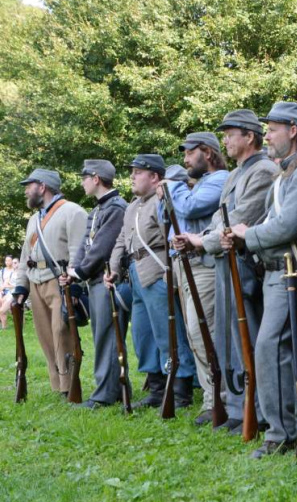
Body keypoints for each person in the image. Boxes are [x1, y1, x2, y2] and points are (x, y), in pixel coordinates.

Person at [223, 102, 297, 456]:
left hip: (290, 272)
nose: (266, 135)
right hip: (276, 272)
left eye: (273, 129)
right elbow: (269, 219)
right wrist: (241, 231)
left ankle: (281, 434)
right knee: (295, 351)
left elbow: (288, 225)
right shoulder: (283, 176)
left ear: (293, 131)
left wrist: (245, 236)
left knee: (268, 347)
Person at [174, 110, 278, 434]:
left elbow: (239, 219)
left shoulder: (262, 171)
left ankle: (258, 411)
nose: (226, 141)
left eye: (231, 133)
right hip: (224, 263)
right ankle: (237, 407)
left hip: (246, 266)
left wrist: (200, 241)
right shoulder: (234, 174)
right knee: (229, 342)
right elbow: (221, 221)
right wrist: (202, 238)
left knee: (249, 341)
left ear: (249, 136)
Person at [107, 154, 196, 409]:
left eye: (138, 172)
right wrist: (113, 269)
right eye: (132, 172)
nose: (132, 177)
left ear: (155, 177)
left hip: (158, 270)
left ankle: (181, 391)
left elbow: (172, 236)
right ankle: (156, 389)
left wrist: (171, 271)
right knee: (143, 334)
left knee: (169, 335)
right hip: (135, 274)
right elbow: (122, 240)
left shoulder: (161, 201)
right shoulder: (132, 206)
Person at [161, 132, 229, 426]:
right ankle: (210, 397)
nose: (185, 160)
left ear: (207, 152)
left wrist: (172, 186)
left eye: (190, 153)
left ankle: (219, 399)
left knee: (206, 334)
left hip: (203, 265)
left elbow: (188, 207)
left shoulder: (219, 179)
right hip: (184, 264)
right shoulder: (195, 185)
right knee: (193, 334)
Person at [13, 169, 87, 395]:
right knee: (45, 336)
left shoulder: (72, 211)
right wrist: (20, 286)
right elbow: (26, 256)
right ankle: (57, 385)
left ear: (42, 187)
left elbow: (79, 251)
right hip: (36, 282)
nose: (26, 191)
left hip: (59, 281)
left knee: (61, 332)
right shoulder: (34, 219)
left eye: (29, 185)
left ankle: (69, 386)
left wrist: (75, 284)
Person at [62, 160, 129, 409]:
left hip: (106, 278)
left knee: (108, 338)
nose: (82, 182)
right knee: (102, 336)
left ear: (96, 178)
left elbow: (102, 248)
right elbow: (84, 246)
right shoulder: (98, 210)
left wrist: (79, 271)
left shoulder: (116, 208)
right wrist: (73, 271)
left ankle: (106, 394)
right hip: (94, 279)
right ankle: (110, 388)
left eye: (84, 177)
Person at [0, 255, 18, 329]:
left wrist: (7, 286)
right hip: (6, 292)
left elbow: (17, 286)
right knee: (2, 309)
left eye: (15, 263)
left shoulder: (19, 273)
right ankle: (4, 326)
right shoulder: (4, 271)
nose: (7, 262)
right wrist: (1, 292)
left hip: (13, 293)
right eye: (6, 261)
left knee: (9, 310)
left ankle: (19, 324)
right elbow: (3, 284)